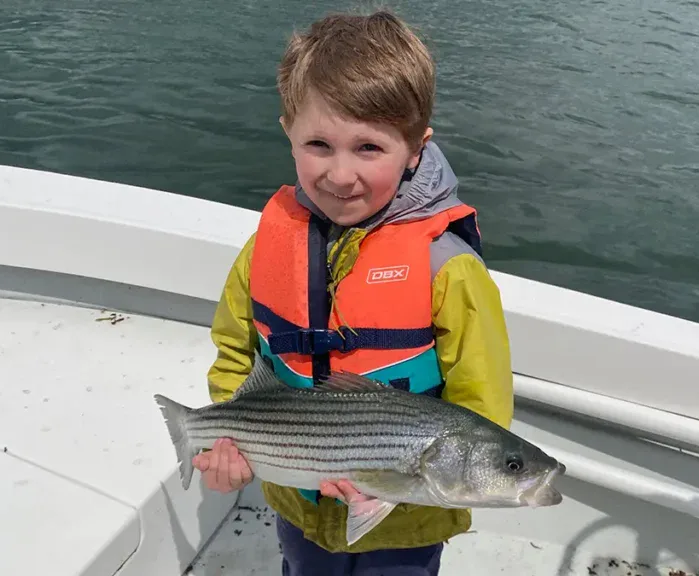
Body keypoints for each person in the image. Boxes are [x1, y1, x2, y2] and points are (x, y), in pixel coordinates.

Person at [193, 9, 514, 575]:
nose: (341, 176)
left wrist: (404, 482)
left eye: (369, 148)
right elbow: (235, 354)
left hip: (409, 517)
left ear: (416, 149)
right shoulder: (264, 248)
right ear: (287, 133)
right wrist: (229, 433)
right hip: (298, 496)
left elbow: (481, 410)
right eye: (319, 143)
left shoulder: (450, 269)